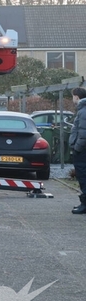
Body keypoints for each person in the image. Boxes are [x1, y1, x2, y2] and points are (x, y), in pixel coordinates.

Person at [68, 86, 86, 214]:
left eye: (73, 96)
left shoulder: (83, 111)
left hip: (82, 151)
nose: (72, 99)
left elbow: (83, 133)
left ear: (77, 97)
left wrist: (77, 147)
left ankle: (84, 205)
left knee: (83, 176)